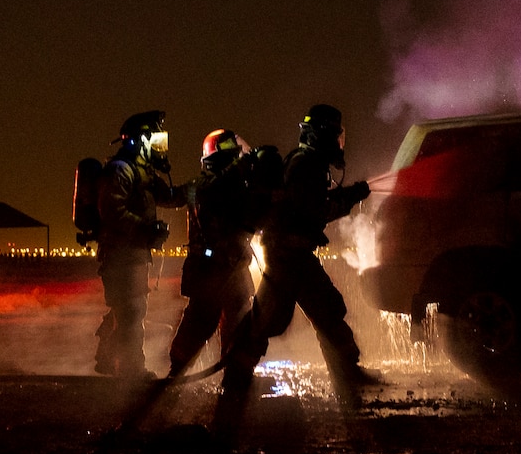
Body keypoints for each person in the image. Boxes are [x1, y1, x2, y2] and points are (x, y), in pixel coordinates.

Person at [217, 104, 376, 414]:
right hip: (287, 257)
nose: (338, 141)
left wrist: (346, 196)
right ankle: (235, 384)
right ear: (322, 134)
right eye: (334, 134)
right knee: (265, 323)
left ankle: (348, 376)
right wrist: (349, 198)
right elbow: (315, 210)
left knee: (328, 310)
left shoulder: (309, 163)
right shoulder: (305, 166)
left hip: (296, 255)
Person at [164, 129, 264, 379]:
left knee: (239, 324)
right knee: (199, 323)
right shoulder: (204, 187)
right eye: (232, 157)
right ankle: (175, 376)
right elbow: (215, 189)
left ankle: (237, 375)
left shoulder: (233, 187)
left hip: (231, 270)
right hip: (210, 270)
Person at [93, 111, 178, 378]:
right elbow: (112, 210)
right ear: (141, 140)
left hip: (134, 255)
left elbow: (169, 197)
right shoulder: (120, 169)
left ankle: (107, 360)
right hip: (120, 256)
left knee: (127, 309)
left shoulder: (144, 172)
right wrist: (145, 229)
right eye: (155, 139)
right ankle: (131, 373)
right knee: (131, 312)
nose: (160, 146)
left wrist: (194, 189)